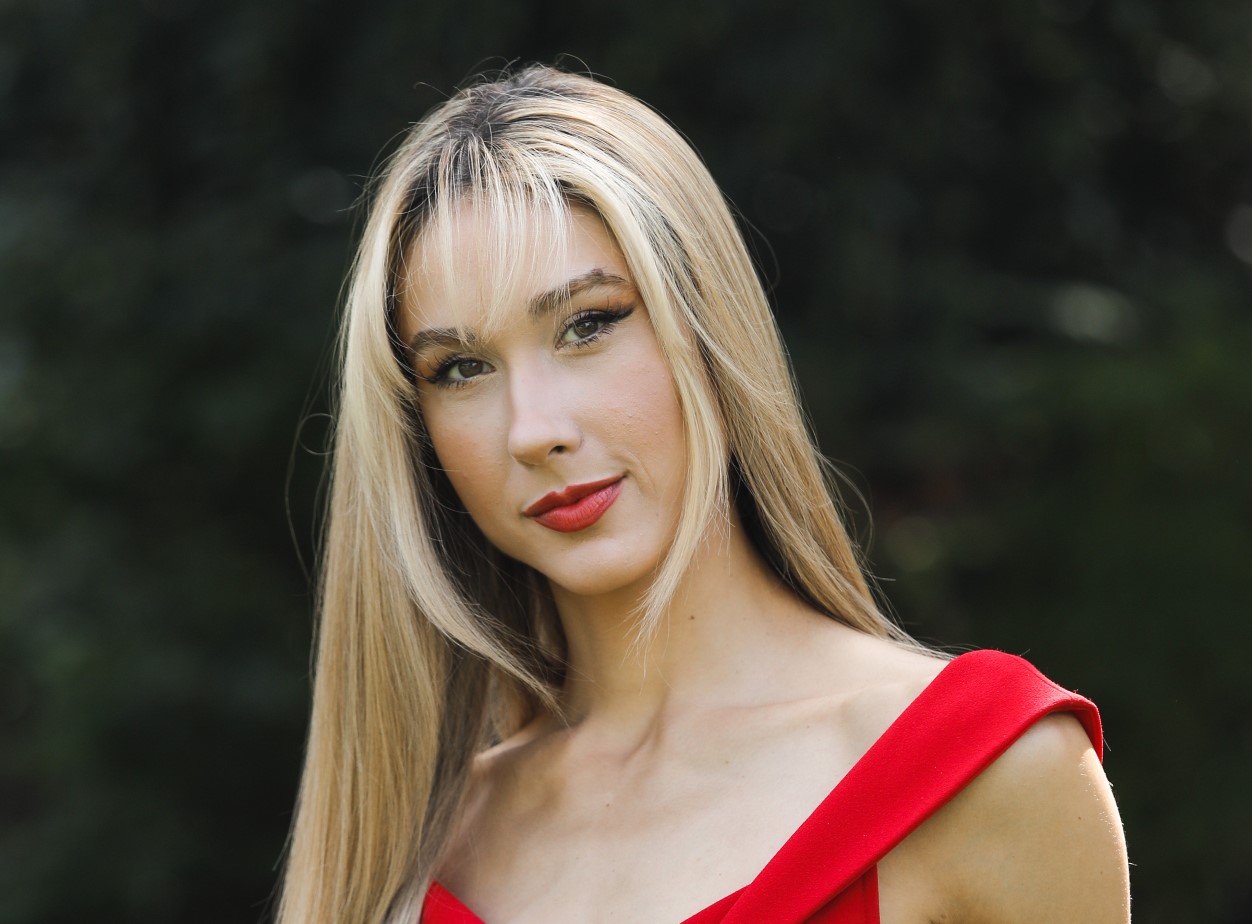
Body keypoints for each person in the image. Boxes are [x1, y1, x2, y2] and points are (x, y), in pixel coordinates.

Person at [277, 65, 1130, 924]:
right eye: (461, 369)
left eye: (587, 324)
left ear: (707, 323)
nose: (533, 431)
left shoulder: (985, 770)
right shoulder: (414, 851)